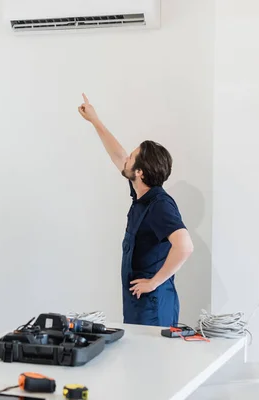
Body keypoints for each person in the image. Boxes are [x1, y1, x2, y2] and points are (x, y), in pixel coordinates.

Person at [78, 94, 194, 327]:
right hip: (139, 303)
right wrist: (95, 121)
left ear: (140, 171)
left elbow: (185, 246)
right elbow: (117, 154)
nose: (126, 159)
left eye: (132, 158)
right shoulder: (141, 196)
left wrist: (154, 282)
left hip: (153, 305)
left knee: (152, 361)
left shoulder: (160, 204)